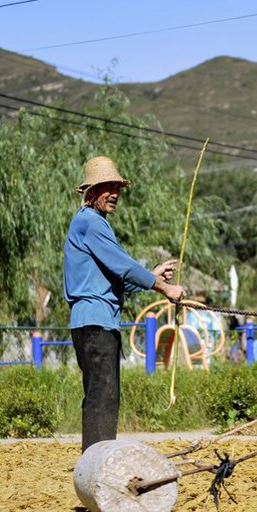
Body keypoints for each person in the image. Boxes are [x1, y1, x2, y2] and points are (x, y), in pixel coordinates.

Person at [63, 156, 184, 453]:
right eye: (107, 187)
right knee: (102, 396)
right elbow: (126, 267)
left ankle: (95, 461)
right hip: (95, 323)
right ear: (91, 192)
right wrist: (165, 287)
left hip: (95, 322)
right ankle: (98, 463)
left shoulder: (91, 224)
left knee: (102, 394)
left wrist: (152, 276)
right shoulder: (91, 222)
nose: (114, 193)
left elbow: (117, 279)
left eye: (117, 187)